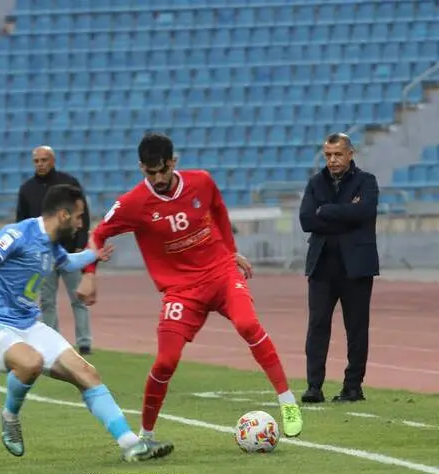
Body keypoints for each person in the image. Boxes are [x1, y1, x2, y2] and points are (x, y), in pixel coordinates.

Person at [76, 132, 303, 442]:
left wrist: (229, 250)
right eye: (149, 172)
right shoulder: (133, 203)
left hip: (220, 274)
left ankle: (287, 401)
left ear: (174, 162)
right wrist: (90, 273)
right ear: (142, 168)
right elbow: (98, 234)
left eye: (162, 170)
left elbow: (220, 210)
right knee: (165, 361)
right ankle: (146, 435)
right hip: (181, 291)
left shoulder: (202, 182)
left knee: (248, 323)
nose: (156, 178)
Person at [0, 184, 174, 462]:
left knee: (87, 373)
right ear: (63, 214)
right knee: (30, 362)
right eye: (78, 216)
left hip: (28, 325)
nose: (81, 223)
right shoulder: (17, 234)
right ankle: (10, 415)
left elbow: (67, 262)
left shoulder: (52, 245)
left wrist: (92, 256)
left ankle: (131, 443)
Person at [299, 132, 379, 403]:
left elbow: (365, 213)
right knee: (318, 326)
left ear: (350, 154)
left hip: (357, 267)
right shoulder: (315, 182)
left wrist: (327, 211)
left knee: (356, 328)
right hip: (322, 266)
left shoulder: (367, 181)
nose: (332, 160)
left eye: (337, 154)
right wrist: (346, 211)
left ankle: (353, 387)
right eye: (328, 155)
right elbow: (306, 220)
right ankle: (314, 387)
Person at [16, 146, 93, 356]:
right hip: (42, 254)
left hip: (69, 250)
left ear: (53, 160)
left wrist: (81, 243)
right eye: (36, 161)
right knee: (46, 301)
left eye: (44, 160)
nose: (40, 164)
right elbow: (22, 222)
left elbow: (83, 215)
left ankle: (84, 342)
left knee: (78, 298)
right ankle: (53, 340)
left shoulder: (69, 184)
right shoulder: (26, 189)